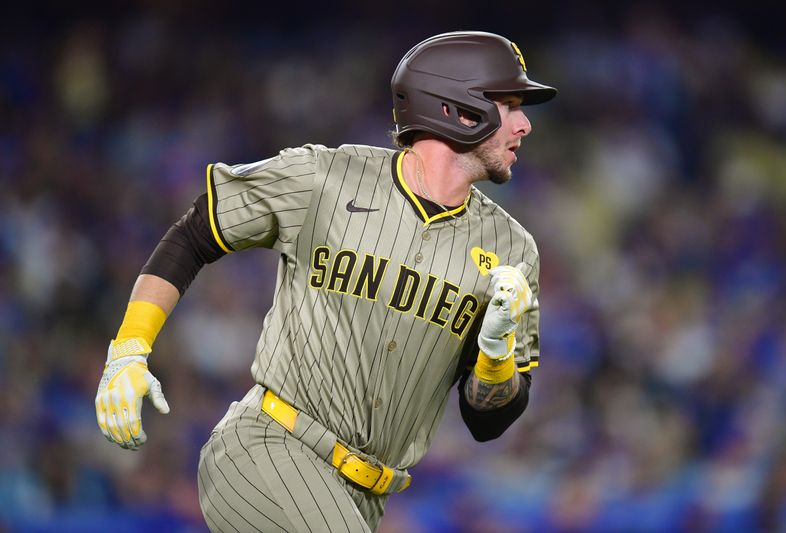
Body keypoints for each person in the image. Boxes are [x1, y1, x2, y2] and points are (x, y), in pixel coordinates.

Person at [95, 30, 556, 532]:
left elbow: (488, 422)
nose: (525, 124)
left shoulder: (513, 251)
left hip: (366, 495)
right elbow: (197, 232)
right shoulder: (326, 177)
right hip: (267, 450)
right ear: (461, 109)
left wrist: (493, 359)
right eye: (510, 105)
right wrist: (129, 349)